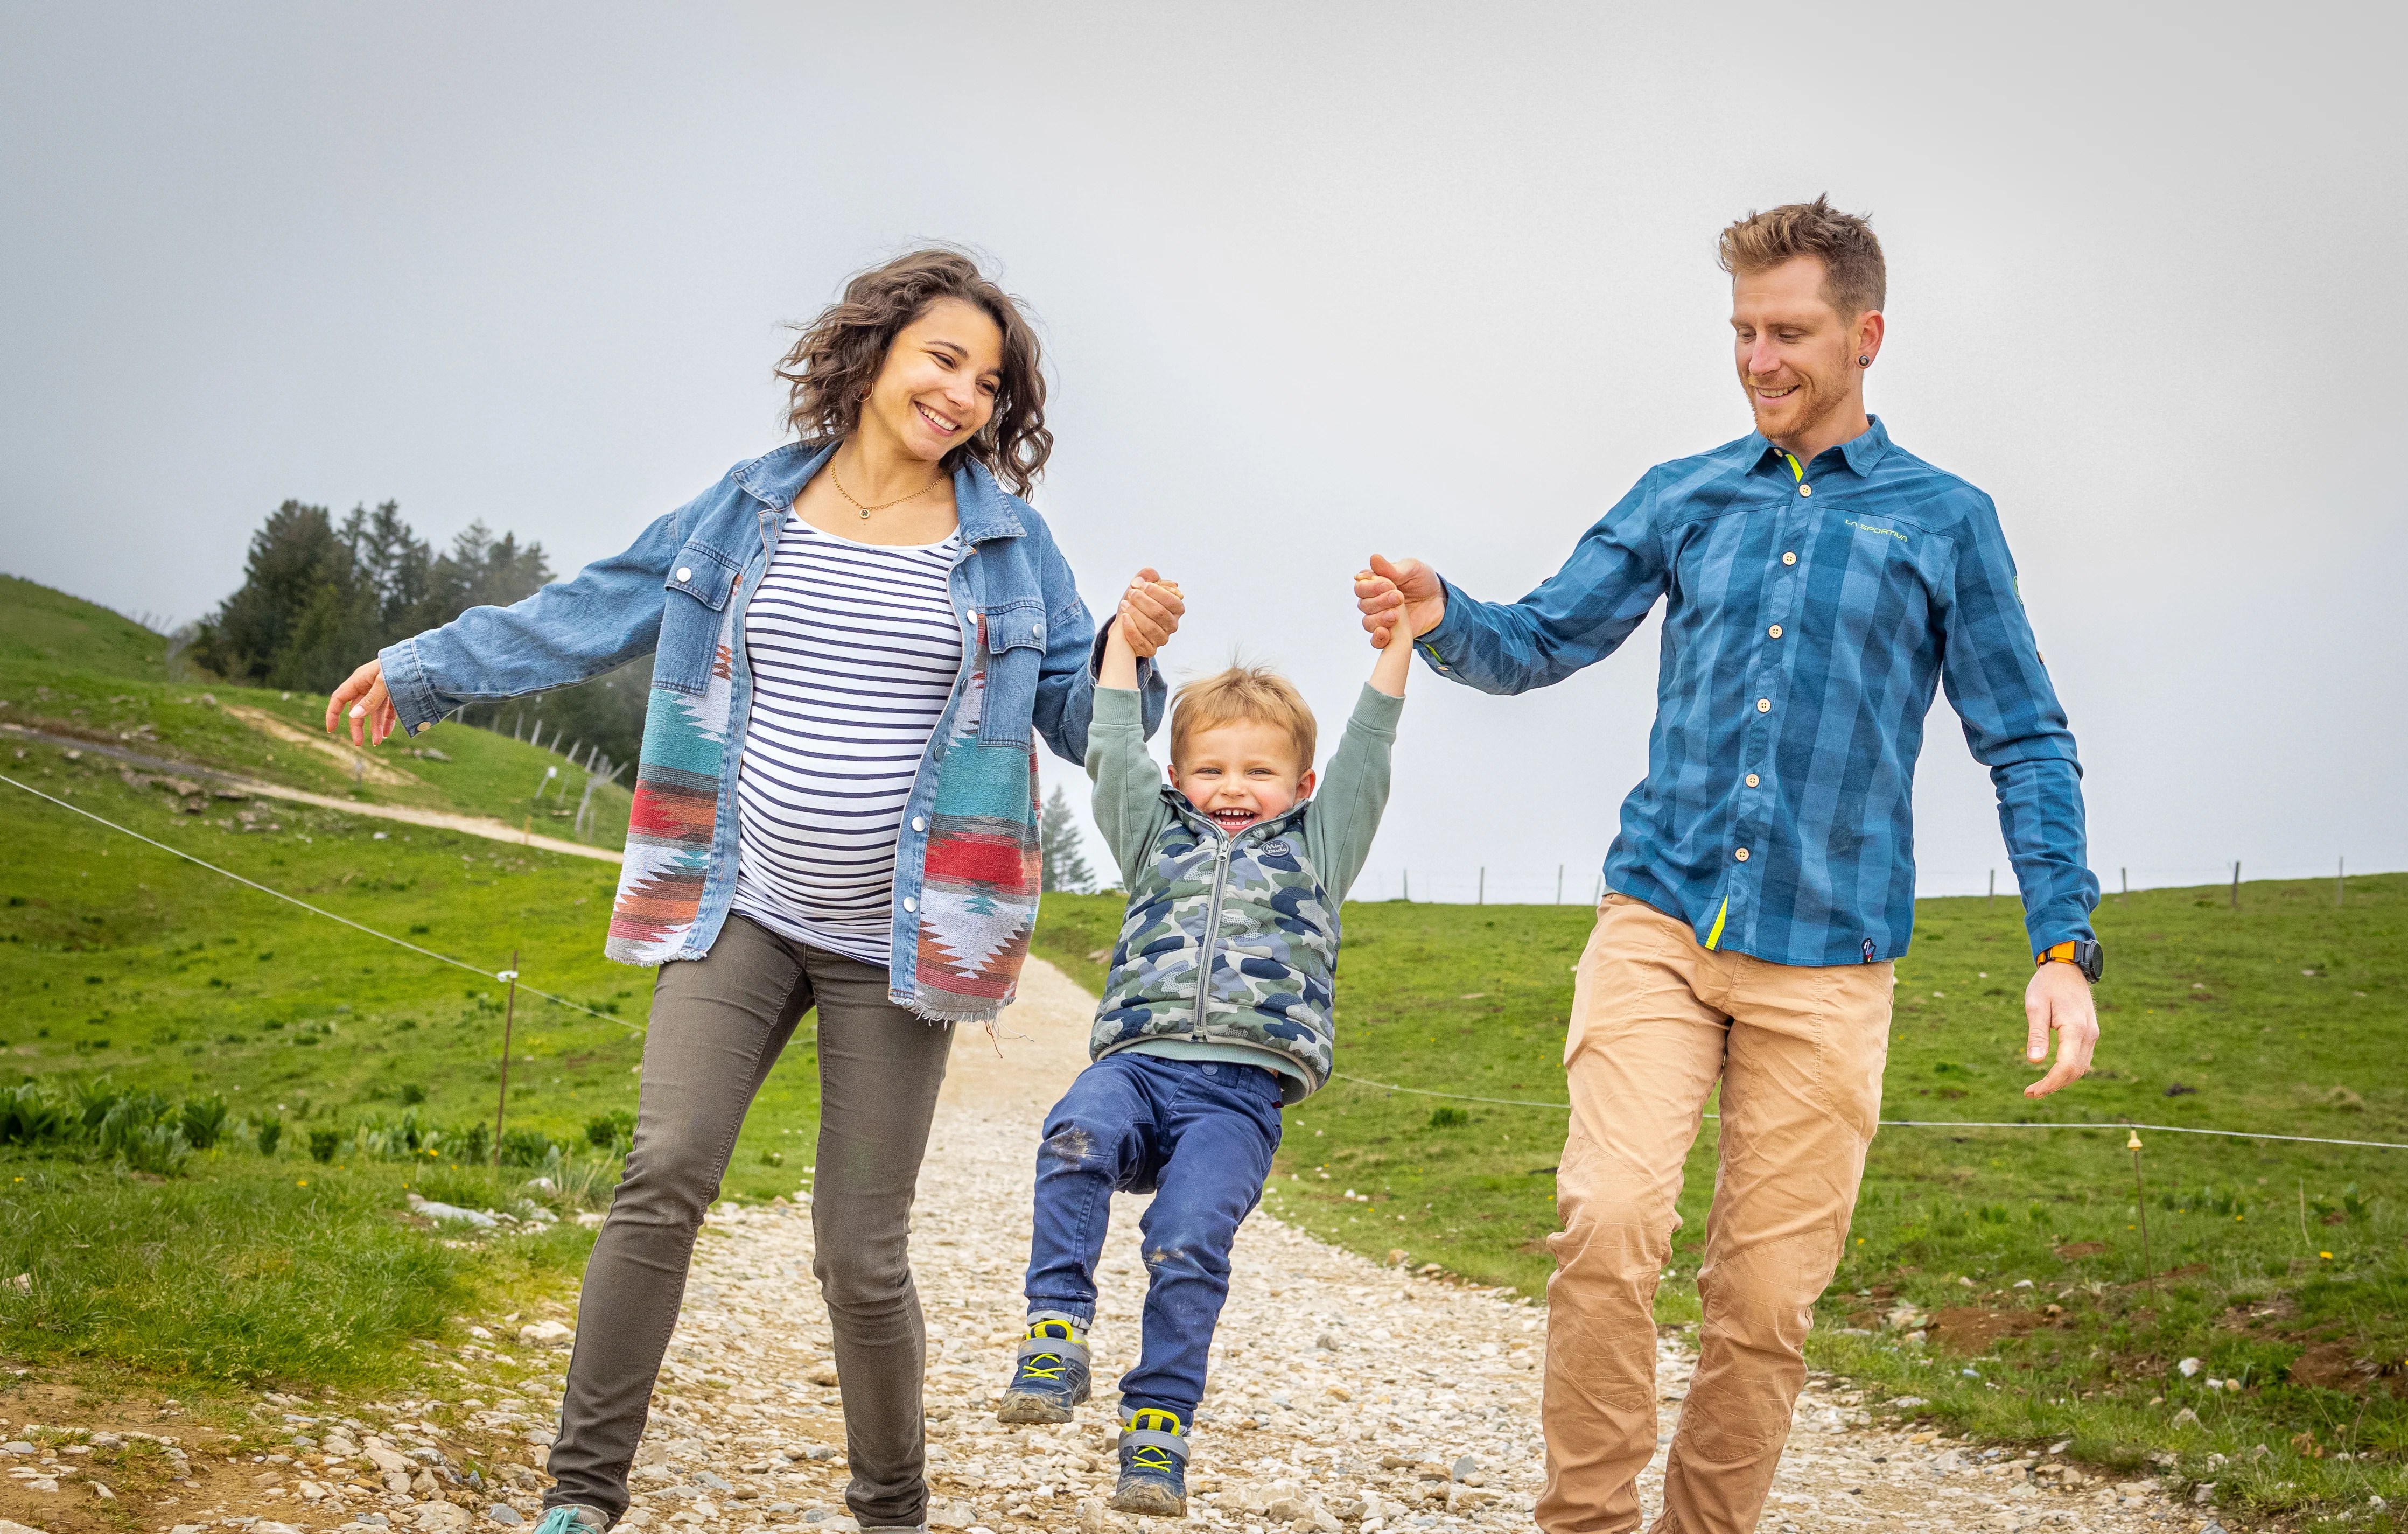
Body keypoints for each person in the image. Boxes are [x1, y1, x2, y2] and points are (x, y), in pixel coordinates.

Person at [323, 249, 1186, 1534]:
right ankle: (582, 1493)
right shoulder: (745, 509)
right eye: (943, 358)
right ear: (878, 350)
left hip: (899, 942)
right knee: (662, 1171)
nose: (960, 394)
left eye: (988, 382)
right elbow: (597, 606)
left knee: (860, 1251)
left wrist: (1127, 656)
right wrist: (432, 666)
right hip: (737, 899)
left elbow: (1074, 717)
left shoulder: (1009, 549)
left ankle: (891, 1506)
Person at [1353, 197, 2104, 1534]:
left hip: (1830, 966)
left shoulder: (1944, 522)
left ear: (1865, 336)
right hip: (1659, 923)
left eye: (1790, 332)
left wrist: (2061, 947)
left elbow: (2027, 740)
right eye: (1744, 332)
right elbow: (1538, 639)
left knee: (1761, 1304)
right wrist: (1442, 616)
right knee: (1606, 1223)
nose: (1760, 359)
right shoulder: (1683, 496)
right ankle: (1585, 1520)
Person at [991, 586, 1414, 1515]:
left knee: (1186, 1242)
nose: (1233, 787)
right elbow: (1110, 746)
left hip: (1236, 1100)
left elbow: (1370, 753)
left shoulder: (1321, 844)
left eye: (1259, 771)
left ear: (1301, 786)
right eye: (1212, 768)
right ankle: (1055, 1330)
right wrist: (1124, 650)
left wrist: (1400, 643)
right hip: (1135, 1067)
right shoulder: (1151, 837)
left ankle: (1157, 1433)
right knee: (1074, 1134)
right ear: (1179, 777)